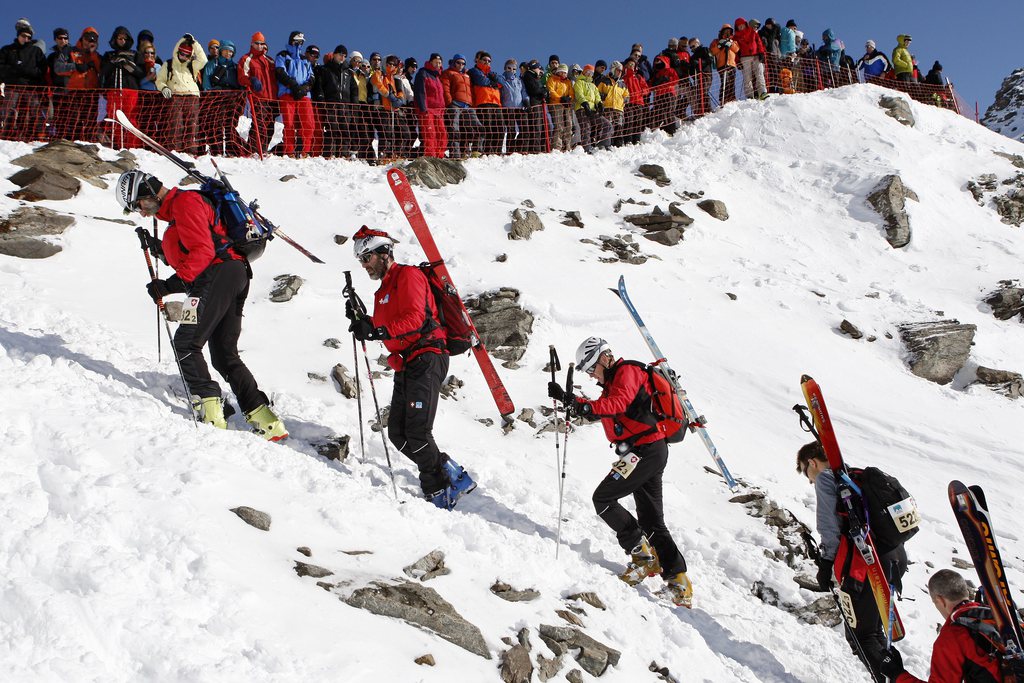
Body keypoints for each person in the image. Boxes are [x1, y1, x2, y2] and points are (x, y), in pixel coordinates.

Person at [115, 170, 287, 441]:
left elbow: (203, 253)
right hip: (230, 275)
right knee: (223, 354)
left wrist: (169, 285)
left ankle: (210, 413)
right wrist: (159, 248)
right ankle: (266, 420)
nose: (141, 211)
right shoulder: (177, 215)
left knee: (186, 342)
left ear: (149, 190)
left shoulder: (185, 203)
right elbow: (195, 249)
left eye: (139, 204)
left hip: (218, 275)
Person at [548, 337, 692, 607]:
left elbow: (618, 404)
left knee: (603, 499)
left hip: (646, 450)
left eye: (591, 367)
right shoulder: (612, 384)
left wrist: (583, 405)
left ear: (604, 358)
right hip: (644, 451)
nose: (591, 374)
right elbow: (603, 409)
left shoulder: (627, 372)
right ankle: (679, 583)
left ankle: (643, 556)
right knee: (651, 520)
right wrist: (569, 400)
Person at [348, 227, 477, 510]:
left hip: (428, 356)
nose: (364, 264)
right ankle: (451, 472)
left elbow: (415, 319)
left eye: (366, 257)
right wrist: (364, 322)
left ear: (384, 253)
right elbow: (388, 327)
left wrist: (376, 331)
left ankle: (439, 489)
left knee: (418, 431)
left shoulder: (408, 276)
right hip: (406, 362)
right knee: (397, 432)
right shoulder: (382, 290)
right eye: (360, 260)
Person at [797, 441, 908, 680]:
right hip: (893, 557)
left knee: (861, 636)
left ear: (812, 463)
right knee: (875, 633)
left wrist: (826, 564)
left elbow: (829, 527)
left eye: (806, 472)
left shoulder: (827, 479)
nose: (809, 479)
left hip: (865, 564)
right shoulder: (853, 478)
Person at [878, 569, 1002, 683]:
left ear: (940, 600)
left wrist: (897, 674)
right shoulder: (996, 616)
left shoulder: (954, 634)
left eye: (935, 602)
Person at [155, 35, 207, 154]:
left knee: (192, 125)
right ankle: (174, 150)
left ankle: (191, 151)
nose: (184, 57)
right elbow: (160, 80)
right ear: (178, 51)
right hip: (176, 96)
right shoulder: (168, 64)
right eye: (182, 54)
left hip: (192, 96)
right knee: (176, 124)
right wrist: (164, 88)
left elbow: (203, 60)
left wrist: (194, 43)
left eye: (187, 55)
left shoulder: (192, 65)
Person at [0, 19, 46, 141]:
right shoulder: (7, 50)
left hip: (30, 87)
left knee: (33, 110)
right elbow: (1, 67)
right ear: (18, 35)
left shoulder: (36, 51)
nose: (26, 39)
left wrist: (28, 71)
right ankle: (6, 136)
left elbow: (42, 70)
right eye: (23, 36)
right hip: (12, 86)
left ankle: (31, 136)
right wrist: (15, 70)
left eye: (28, 37)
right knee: (9, 110)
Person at [275, 31, 316, 157]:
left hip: (304, 95)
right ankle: (289, 151)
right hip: (288, 93)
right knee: (289, 123)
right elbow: (280, 72)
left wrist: (304, 88)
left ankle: (305, 151)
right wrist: (293, 85)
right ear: (291, 40)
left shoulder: (304, 59)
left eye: (301, 41)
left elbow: (311, 77)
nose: (299, 43)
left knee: (309, 122)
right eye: (297, 41)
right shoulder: (283, 56)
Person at [238, 32, 277, 155]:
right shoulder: (246, 58)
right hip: (258, 97)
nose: (260, 46)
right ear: (252, 43)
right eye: (257, 43)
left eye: (262, 44)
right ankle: (256, 150)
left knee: (271, 125)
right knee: (259, 124)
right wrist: (251, 80)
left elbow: (278, 73)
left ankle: (259, 149)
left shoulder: (269, 60)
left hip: (273, 97)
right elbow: (242, 76)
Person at [321, 45, 357, 158]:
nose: (342, 57)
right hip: (331, 103)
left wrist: (354, 105)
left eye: (345, 56)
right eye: (341, 55)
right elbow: (320, 86)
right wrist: (321, 99)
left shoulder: (349, 72)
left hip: (345, 105)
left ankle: (343, 155)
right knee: (332, 128)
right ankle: (329, 154)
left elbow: (354, 89)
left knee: (345, 130)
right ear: (335, 54)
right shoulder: (326, 69)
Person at [467, 51, 502, 154]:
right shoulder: (475, 71)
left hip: (496, 103)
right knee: (488, 127)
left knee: (500, 128)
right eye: (484, 60)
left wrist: (494, 81)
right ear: (479, 60)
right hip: (484, 102)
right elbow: (481, 81)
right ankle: (487, 151)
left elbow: (500, 83)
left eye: (489, 61)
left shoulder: (492, 73)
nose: (487, 62)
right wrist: (492, 83)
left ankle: (497, 152)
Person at [413, 53, 447, 158]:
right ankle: (431, 156)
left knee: (442, 134)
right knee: (430, 134)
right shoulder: (423, 73)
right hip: (427, 110)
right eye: (436, 62)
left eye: (440, 62)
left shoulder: (438, 77)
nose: (438, 64)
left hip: (439, 111)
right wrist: (423, 109)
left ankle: (440, 156)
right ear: (431, 62)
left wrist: (443, 108)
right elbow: (420, 91)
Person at [734, 17, 767, 100]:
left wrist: (761, 53)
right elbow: (736, 51)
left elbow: (758, 42)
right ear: (737, 27)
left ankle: (762, 92)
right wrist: (737, 61)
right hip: (744, 58)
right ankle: (749, 95)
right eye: (739, 26)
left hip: (756, 55)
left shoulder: (752, 32)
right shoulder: (735, 37)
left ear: (745, 25)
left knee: (759, 73)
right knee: (747, 77)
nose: (741, 27)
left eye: (742, 25)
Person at [545, 62, 573, 152]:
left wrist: (569, 98)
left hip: (566, 105)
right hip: (556, 105)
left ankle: (567, 145)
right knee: (559, 125)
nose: (563, 74)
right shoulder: (552, 79)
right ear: (558, 71)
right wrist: (560, 98)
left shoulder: (568, 82)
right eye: (562, 72)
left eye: (565, 72)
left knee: (568, 125)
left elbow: (571, 92)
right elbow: (551, 91)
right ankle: (557, 146)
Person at [710, 24, 739, 105]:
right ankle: (723, 98)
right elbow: (712, 51)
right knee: (725, 81)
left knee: (732, 81)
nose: (727, 33)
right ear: (722, 32)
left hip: (731, 64)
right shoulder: (717, 41)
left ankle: (732, 97)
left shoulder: (733, 41)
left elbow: (737, 49)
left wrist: (731, 44)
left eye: (729, 32)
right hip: (722, 64)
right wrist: (720, 45)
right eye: (725, 32)